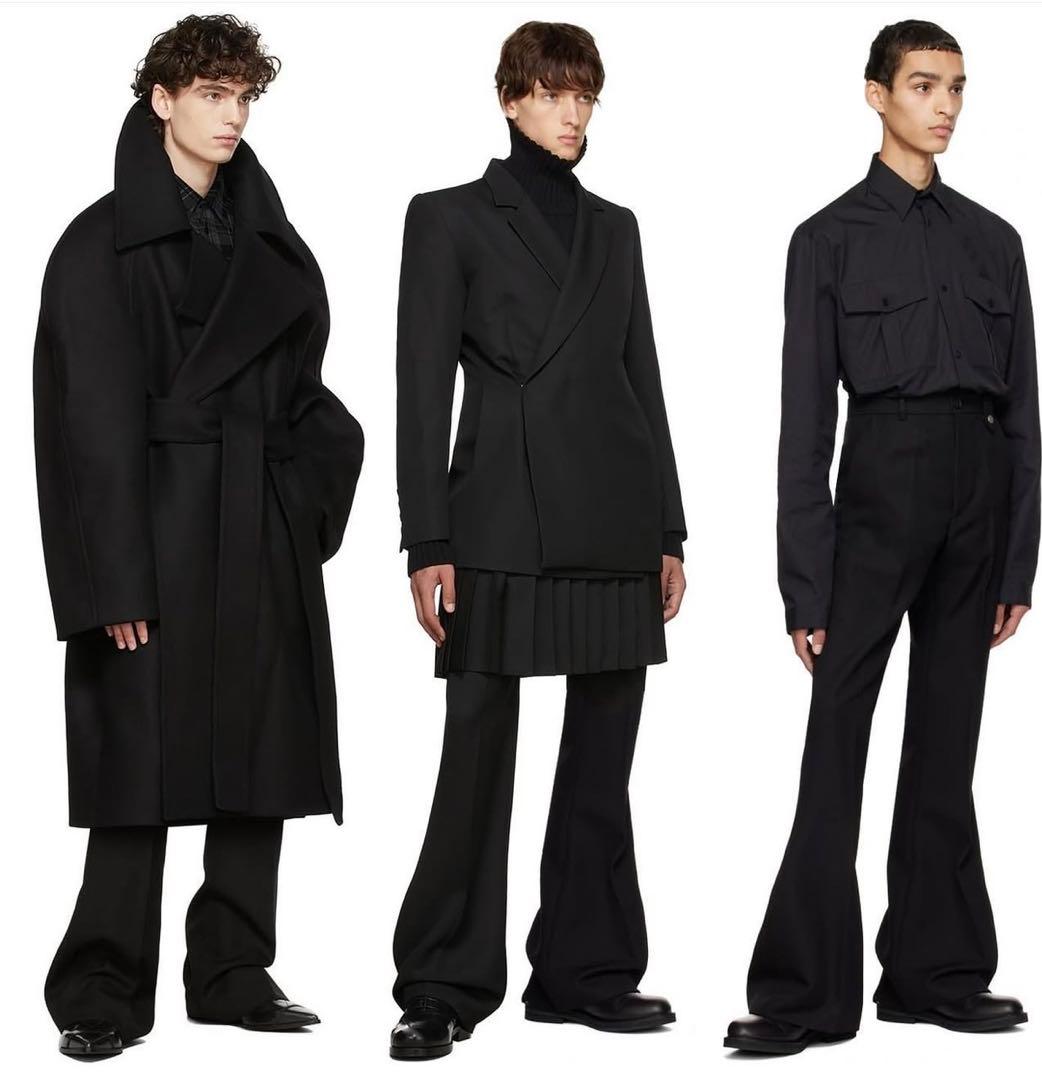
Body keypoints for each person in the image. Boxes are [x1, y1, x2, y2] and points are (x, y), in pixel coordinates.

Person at [32, 14, 364, 1060]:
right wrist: (111, 583)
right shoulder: (99, 243)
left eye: (244, 96)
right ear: (162, 100)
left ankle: (231, 971)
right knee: (137, 771)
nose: (232, 116)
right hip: (154, 537)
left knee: (257, 756)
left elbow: (307, 392)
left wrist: (302, 497)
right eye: (212, 94)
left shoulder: (272, 240)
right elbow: (82, 425)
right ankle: (101, 986)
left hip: (254, 527)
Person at [725, 20, 1039, 1055]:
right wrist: (804, 582)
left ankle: (933, 973)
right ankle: (802, 993)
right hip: (877, 488)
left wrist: (1019, 558)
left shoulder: (995, 240)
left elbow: (1025, 413)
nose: (944, 105)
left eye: (956, 87)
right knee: (837, 746)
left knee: (947, 743)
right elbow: (804, 420)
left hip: (977, 494)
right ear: (876, 95)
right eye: (923, 85)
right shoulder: (827, 238)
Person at [388, 20, 687, 1062]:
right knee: (476, 754)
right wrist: (425, 538)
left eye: (585, 95)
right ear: (511, 98)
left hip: (614, 515)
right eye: (554, 93)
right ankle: (441, 983)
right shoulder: (447, 217)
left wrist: (669, 527)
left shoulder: (617, 228)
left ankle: (584, 972)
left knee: (603, 762)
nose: (573, 113)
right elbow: (420, 388)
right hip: (497, 517)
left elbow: (642, 376)